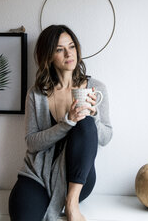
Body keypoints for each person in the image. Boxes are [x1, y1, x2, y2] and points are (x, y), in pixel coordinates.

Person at [8, 24, 113, 221]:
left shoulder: (96, 88)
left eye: (71, 46)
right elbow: (32, 143)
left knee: (86, 122)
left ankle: (71, 203)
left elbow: (106, 137)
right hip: (38, 174)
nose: (68, 53)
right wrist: (67, 122)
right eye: (59, 49)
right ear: (48, 56)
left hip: (77, 178)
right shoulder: (36, 94)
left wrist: (94, 114)